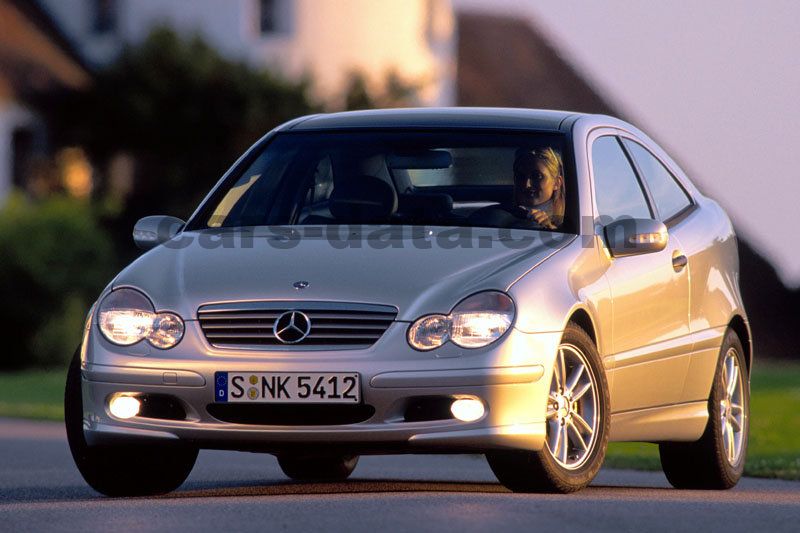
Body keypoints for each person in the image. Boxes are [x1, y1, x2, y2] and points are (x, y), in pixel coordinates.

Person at [469, 147, 566, 230]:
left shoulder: (571, 220)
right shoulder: (496, 215)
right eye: (520, 176)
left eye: (537, 176)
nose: (527, 184)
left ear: (557, 182)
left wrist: (550, 229)